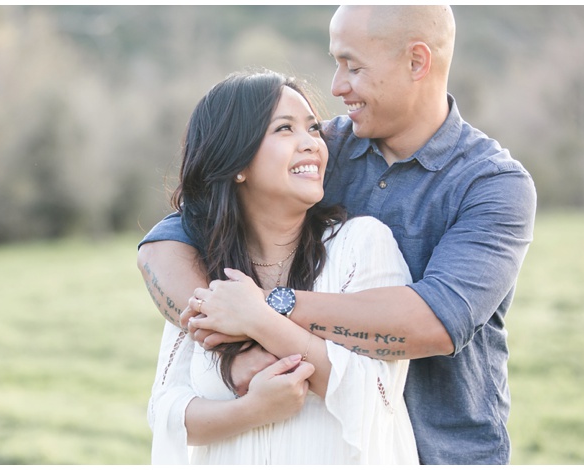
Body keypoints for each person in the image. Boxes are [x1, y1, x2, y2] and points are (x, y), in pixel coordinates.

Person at [138, 5, 536, 465]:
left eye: (353, 65)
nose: (336, 85)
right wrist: (233, 348)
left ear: (416, 62)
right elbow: (168, 242)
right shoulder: (320, 151)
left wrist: (262, 311)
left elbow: (433, 323)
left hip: (448, 451)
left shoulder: (492, 184)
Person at [145, 69, 419, 464]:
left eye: (313, 129)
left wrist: (259, 319)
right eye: (285, 129)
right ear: (236, 162)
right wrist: (251, 411)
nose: (311, 144)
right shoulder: (203, 267)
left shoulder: (362, 244)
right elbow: (166, 409)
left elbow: (377, 395)